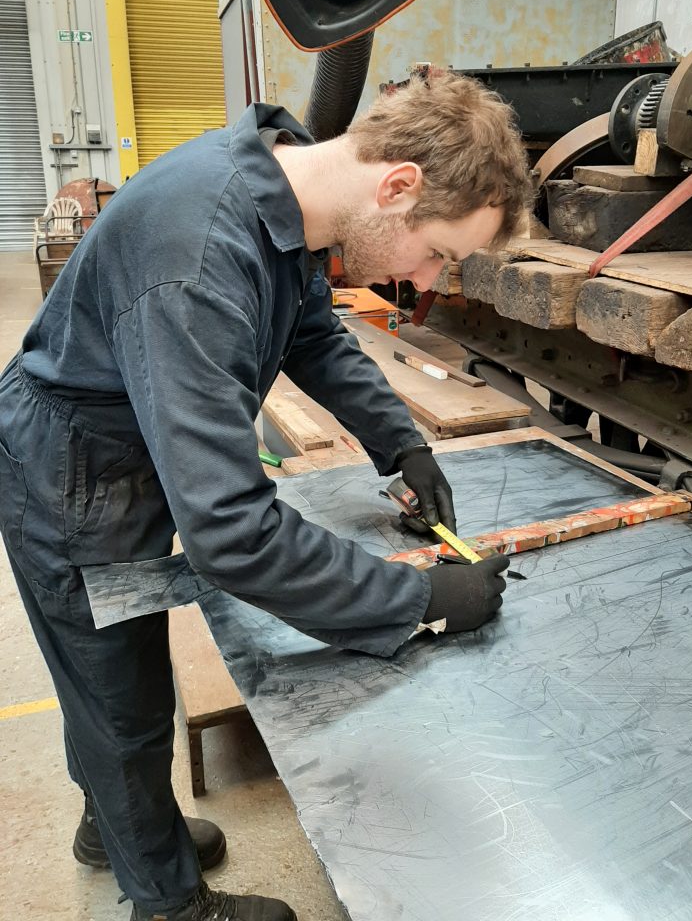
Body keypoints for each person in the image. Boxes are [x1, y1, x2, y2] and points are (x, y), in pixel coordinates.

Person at [0, 72, 531, 921]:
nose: (428, 278)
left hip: (114, 443)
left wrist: (401, 441)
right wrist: (418, 597)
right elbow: (232, 531)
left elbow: (311, 330)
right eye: (438, 252)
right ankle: (168, 904)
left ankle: (118, 825)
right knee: (117, 695)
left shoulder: (276, 188)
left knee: (115, 685)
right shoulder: (201, 258)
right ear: (398, 187)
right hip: (74, 469)